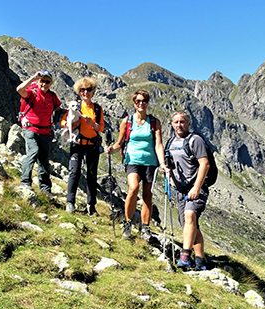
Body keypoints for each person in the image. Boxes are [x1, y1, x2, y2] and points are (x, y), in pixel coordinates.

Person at [105, 89, 168, 241]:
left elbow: (158, 144)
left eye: (144, 101)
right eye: (138, 101)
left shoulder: (154, 122)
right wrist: (111, 149)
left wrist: (162, 164)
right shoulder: (127, 121)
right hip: (132, 160)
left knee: (148, 196)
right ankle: (128, 223)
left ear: (147, 103)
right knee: (133, 188)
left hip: (150, 163)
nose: (141, 103)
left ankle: (145, 228)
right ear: (134, 102)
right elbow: (119, 143)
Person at [166, 110, 210, 270]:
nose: (179, 125)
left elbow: (205, 164)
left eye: (182, 122)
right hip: (180, 190)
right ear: (172, 124)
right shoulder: (170, 142)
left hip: (196, 189)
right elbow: (171, 164)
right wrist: (169, 176)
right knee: (191, 226)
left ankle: (184, 257)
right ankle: (200, 261)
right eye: (176, 122)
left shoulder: (195, 140)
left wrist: (196, 188)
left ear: (189, 124)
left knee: (190, 216)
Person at [60, 77, 104, 216]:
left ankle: (91, 206)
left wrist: (93, 125)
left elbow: (101, 127)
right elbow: (62, 122)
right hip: (77, 144)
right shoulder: (75, 106)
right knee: (74, 172)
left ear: (93, 91)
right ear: (79, 92)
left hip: (92, 145)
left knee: (92, 175)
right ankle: (70, 202)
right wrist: (70, 125)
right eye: (82, 90)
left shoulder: (97, 109)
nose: (86, 92)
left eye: (89, 89)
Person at [16, 70, 61, 196]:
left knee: (44, 160)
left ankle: (45, 190)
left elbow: (58, 108)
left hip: (46, 131)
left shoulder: (52, 96)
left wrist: (72, 111)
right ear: (38, 81)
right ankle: (25, 182)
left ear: (51, 83)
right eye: (42, 81)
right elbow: (19, 89)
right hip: (30, 129)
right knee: (33, 151)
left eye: (47, 81)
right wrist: (33, 78)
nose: (44, 84)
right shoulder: (32, 92)